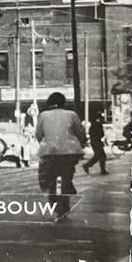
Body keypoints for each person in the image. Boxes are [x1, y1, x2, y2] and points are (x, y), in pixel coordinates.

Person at [35, 92, 87, 220]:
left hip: (50, 152)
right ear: (63, 102)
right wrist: (83, 142)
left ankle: (53, 199)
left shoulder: (43, 115)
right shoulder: (72, 115)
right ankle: (67, 188)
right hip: (69, 153)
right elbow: (80, 132)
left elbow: (38, 134)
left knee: (51, 178)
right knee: (67, 175)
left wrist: (46, 142)